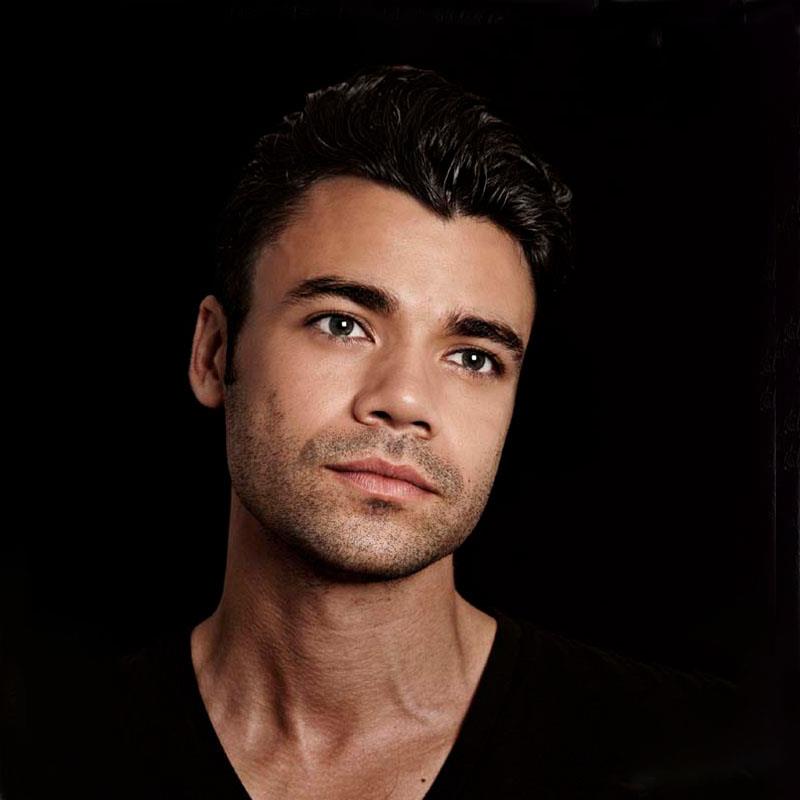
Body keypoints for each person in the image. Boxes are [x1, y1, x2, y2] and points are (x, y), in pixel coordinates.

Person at [17, 64, 764, 800]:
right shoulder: (40, 759)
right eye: (342, 324)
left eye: (473, 357)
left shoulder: (710, 760)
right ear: (213, 353)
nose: (405, 401)